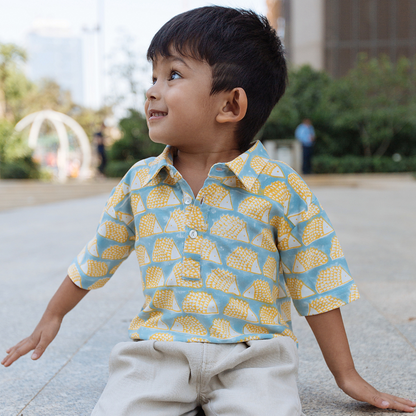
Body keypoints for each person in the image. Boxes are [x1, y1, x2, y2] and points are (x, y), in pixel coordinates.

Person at [2, 6, 415, 416]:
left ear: (231, 105)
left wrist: (347, 375)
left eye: (173, 75)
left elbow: (316, 278)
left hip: (254, 356)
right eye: (153, 77)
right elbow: (97, 256)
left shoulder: (279, 188)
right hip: (158, 350)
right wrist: (52, 316)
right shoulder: (140, 182)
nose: (152, 90)